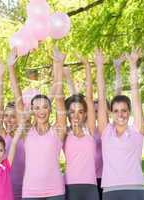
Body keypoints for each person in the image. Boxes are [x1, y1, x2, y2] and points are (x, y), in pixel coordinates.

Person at [8, 47, 67, 200]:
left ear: (50, 109)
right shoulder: (27, 131)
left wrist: (58, 65)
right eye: (37, 107)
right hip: (30, 191)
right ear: (32, 110)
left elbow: (60, 98)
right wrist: (11, 67)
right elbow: (18, 98)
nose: (41, 111)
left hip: (55, 191)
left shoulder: (58, 130)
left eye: (45, 107)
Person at [95, 48, 144, 200]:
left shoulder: (137, 131)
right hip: (111, 190)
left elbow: (136, 96)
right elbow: (101, 92)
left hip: (135, 189)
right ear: (111, 113)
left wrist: (132, 65)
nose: (120, 114)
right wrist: (99, 66)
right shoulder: (106, 132)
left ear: (129, 112)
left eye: (124, 110)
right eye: (116, 111)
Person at [63, 55, 99, 200]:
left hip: (91, 187)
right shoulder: (64, 132)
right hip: (70, 186)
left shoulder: (89, 130)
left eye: (80, 112)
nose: (76, 115)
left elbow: (88, 99)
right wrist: (66, 76)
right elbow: (72, 102)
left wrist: (87, 66)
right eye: (72, 112)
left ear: (85, 114)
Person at [0, 59, 25, 200]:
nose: (8, 119)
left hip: (26, 189)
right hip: (4, 190)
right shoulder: (1, 136)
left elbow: (19, 101)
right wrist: (0, 77)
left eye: (13, 116)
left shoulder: (24, 134)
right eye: (6, 116)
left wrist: (11, 69)